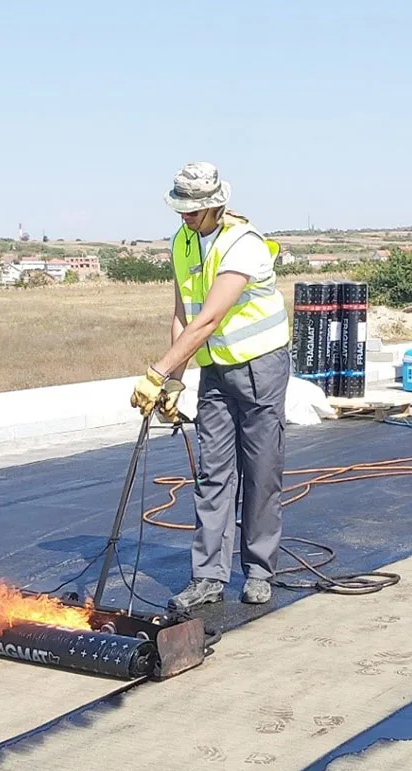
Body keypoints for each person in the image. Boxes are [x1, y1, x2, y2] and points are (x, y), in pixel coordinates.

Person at [129, 161, 291, 610]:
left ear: (217, 205)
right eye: (180, 209)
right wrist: (175, 381)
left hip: (261, 368)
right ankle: (208, 578)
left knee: (260, 474)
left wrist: (157, 373)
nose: (185, 217)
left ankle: (259, 570)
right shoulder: (181, 242)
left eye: (193, 211)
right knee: (212, 473)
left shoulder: (244, 245)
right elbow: (182, 313)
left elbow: (209, 319)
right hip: (216, 372)